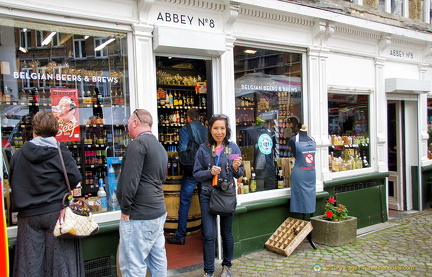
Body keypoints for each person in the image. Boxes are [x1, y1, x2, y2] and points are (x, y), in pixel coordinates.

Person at [10, 110, 84, 277]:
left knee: (29, 266)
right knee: (60, 265)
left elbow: (14, 180)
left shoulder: (19, 153)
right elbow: (75, 178)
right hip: (55, 213)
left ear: (34, 129)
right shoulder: (60, 151)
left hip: (28, 216)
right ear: (56, 130)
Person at [116, 109, 168, 277]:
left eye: (129, 122)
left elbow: (130, 180)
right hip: (157, 211)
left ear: (136, 123)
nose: (127, 126)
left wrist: (125, 209)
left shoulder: (137, 144)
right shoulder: (159, 147)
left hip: (139, 215)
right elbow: (162, 178)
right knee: (157, 260)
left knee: (133, 266)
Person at [193, 114, 244, 277]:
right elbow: (196, 174)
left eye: (222, 128)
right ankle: (208, 271)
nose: (219, 132)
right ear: (210, 129)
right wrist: (210, 171)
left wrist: (236, 168)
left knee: (226, 233)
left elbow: (239, 174)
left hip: (227, 193)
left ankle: (227, 266)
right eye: (216, 128)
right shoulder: (203, 148)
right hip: (207, 194)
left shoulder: (233, 148)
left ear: (226, 129)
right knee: (208, 235)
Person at [167, 108, 207, 245]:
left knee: (185, 202)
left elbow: (183, 149)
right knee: (205, 202)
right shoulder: (206, 130)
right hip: (205, 171)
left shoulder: (185, 129)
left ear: (188, 118)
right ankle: (207, 233)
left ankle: (180, 235)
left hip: (191, 171)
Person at [288, 124, 316, 214]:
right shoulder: (293, 140)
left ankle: (309, 215)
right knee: (299, 197)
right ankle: (302, 217)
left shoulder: (313, 139)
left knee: (311, 197)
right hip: (300, 174)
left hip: (311, 173)